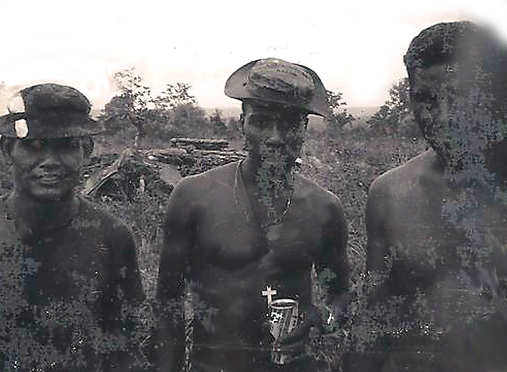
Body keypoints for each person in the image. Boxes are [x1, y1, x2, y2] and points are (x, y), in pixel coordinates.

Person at [0, 83, 146, 372]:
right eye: (33, 147)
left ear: (88, 150)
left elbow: (126, 349)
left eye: (67, 145)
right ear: (7, 149)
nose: (49, 162)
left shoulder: (112, 238)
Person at [153, 58, 351, 372]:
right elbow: (167, 303)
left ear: (304, 129)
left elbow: (341, 296)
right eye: (261, 121)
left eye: (288, 124)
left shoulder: (324, 208)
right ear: (241, 123)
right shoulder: (193, 196)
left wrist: (320, 317)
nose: (274, 136)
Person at [354, 21, 507, 372]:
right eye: (426, 99)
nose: (443, 118)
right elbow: (374, 323)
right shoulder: (391, 193)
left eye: (460, 97)